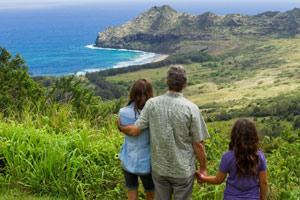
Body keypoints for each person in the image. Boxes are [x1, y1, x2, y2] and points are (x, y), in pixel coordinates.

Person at [119, 65, 210, 200]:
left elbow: (135, 130)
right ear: (184, 84)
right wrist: (203, 169)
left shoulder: (152, 104)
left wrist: (121, 127)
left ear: (166, 82)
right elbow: (198, 145)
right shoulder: (192, 108)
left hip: (159, 168)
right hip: (183, 170)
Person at [198, 118, 268, 200]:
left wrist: (203, 178)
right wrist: (263, 198)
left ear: (234, 135)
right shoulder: (259, 156)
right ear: (253, 136)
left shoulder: (227, 156)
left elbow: (218, 180)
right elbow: (264, 182)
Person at [118, 79, 155, 200]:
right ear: (149, 93)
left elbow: (132, 131)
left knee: (131, 190)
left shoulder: (123, 112)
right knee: (151, 192)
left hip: (128, 158)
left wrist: (121, 128)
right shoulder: (152, 113)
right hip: (148, 162)